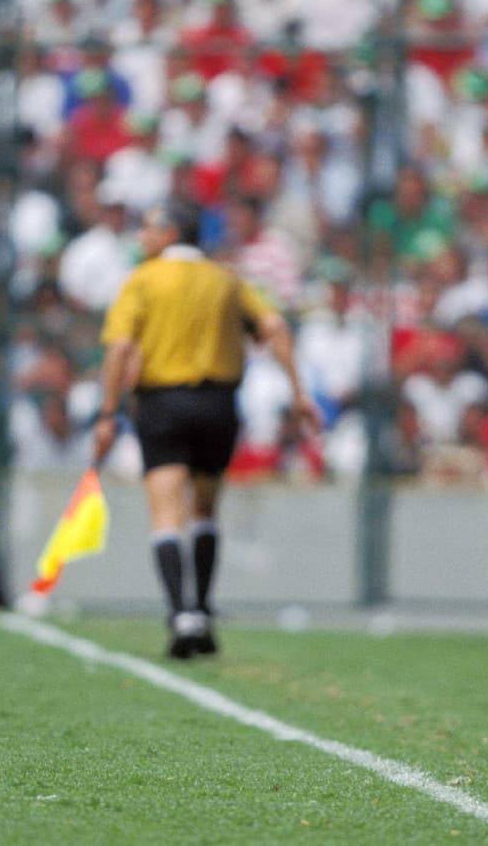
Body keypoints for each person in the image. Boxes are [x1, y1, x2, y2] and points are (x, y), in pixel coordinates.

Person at [92, 200, 320, 660]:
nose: (143, 238)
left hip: (163, 402)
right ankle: (203, 608)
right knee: (205, 510)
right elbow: (273, 326)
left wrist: (106, 413)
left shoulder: (143, 279)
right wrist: (299, 393)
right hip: (218, 404)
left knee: (164, 510)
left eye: (150, 229)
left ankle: (181, 613)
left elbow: (119, 350)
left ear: (172, 232)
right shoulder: (227, 278)